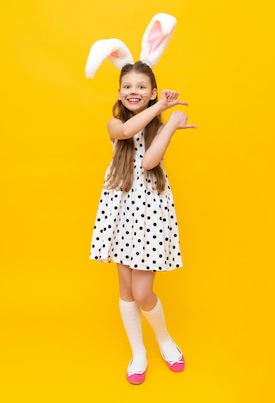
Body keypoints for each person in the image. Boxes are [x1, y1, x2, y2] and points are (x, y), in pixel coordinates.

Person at [89, 60, 196, 385]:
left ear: (151, 93)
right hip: (120, 210)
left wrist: (168, 124)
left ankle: (164, 341)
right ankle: (139, 353)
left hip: (149, 213)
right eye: (127, 86)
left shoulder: (156, 128)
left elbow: (150, 161)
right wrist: (162, 107)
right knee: (126, 290)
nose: (132, 91)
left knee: (142, 291)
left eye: (141, 87)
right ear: (119, 93)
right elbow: (125, 131)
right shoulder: (114, 124)